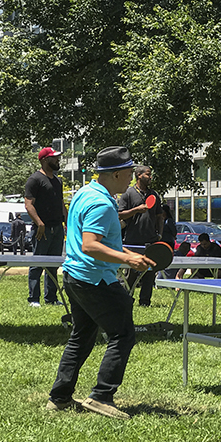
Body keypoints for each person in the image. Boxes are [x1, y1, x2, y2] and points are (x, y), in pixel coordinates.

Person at [47, 146, 155, 419]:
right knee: (123, 334)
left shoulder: (85, 192)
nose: (132, 176)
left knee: (81, 336)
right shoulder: (102, 203)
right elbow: (91, 245)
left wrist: (130, 254)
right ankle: (101, 396)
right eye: (130, 171)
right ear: (117, 174)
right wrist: (127, 260)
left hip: (74, 276)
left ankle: (59, 397)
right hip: (94, 278)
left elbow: (99, 242)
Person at [25, 147, 67, 307]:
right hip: (42, 229)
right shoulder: (34, 179)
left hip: (57, 228)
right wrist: (39, 223)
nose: (58, 160)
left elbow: (61, 203)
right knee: (37, 263)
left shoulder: (57, 180)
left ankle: (51, 298)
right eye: (54, 158)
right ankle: (33, 299)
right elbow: (28, 205)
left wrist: (67, 222)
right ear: (44, 160)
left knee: (53, 265)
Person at [118, 166, 164, 307]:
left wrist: (160, 234)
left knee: (149, 274)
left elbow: (159, 217)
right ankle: (126, 300)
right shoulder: (127, 193)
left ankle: (145, 302)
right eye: (148, 174)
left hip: (150, 241)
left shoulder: (154, 195)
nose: (150, 177)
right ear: (138, 175)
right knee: (131, 274)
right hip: (132, 241)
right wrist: (136, 210)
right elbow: (119, 215)